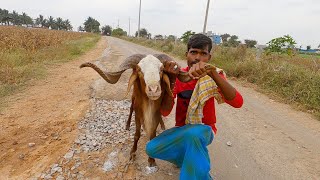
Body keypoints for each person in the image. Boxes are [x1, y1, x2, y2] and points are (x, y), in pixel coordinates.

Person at [146, 34, 243, 180]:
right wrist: (172, 81)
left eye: (203, 53)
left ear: (209, 58)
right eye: (193, 52)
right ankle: (185, 160)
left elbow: (238, 103)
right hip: (182, 130)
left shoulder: (214, 74)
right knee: (151, 148)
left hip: (205, 130)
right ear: (186, 55)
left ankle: (201, 175)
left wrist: (212, 73)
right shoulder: (179, 76)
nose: (198, 58)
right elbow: (165, 112)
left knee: (194, 135)